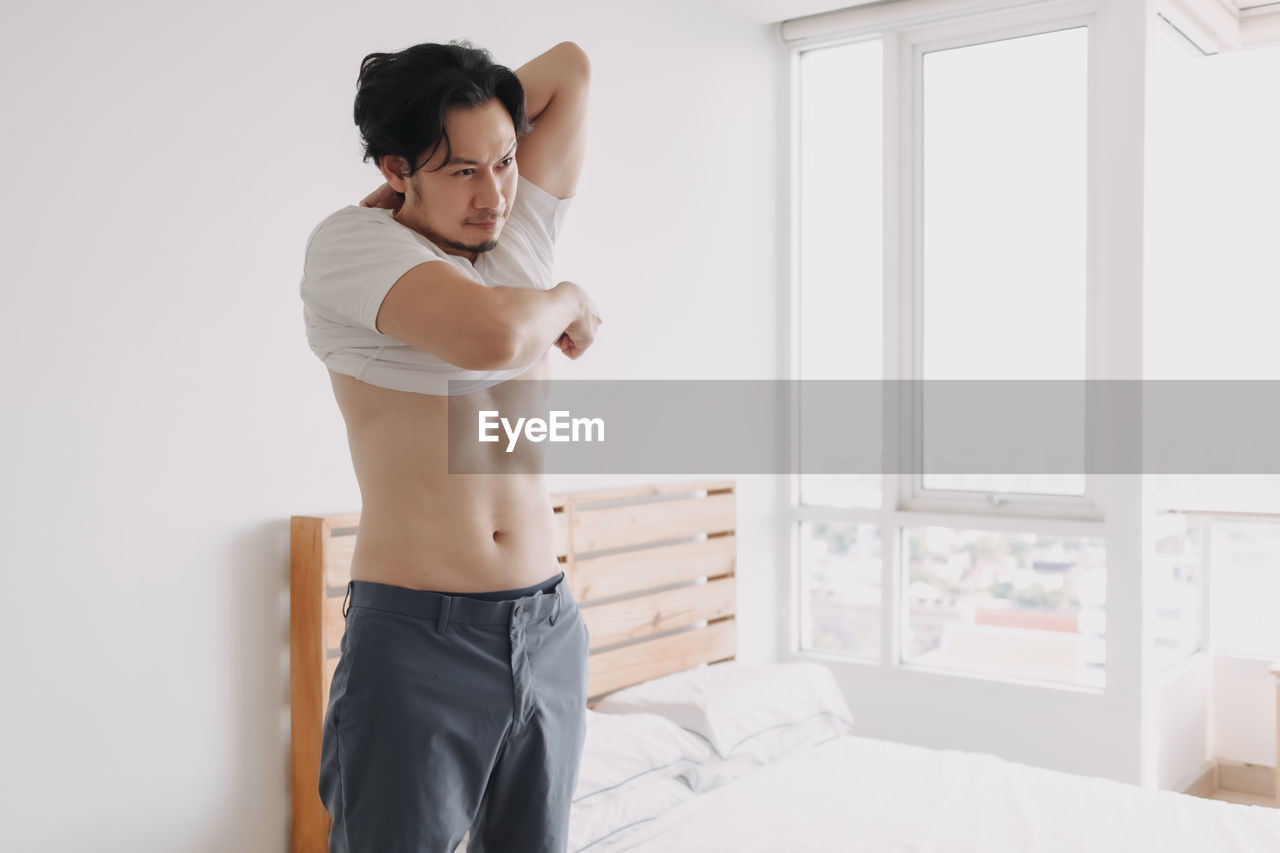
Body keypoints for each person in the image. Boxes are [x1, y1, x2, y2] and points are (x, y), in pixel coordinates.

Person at [298, 39, 601, 853]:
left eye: (503, 160)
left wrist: (472, 124)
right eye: (462, 170)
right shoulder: (354, 247)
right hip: (419, 638)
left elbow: (569, 68)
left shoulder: (510, 227)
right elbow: (495, 336)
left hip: (547, 623)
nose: (495, 191)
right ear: (399, 169)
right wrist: (567, 295)